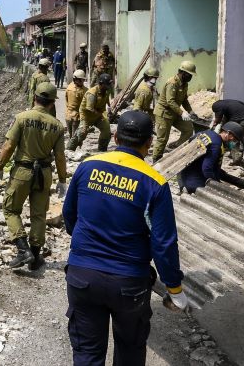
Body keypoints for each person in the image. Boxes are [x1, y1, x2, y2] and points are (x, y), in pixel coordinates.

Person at [62, 110, 187, 365]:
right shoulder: (155, 183)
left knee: (87, 352)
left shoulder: (87, 166)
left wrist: (88, 247)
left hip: (82, 276)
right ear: (149, 143)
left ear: (116, 136)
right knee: (130, 351)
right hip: (129, 283)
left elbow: (69, 216)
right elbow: (163, 244)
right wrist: (174, 288)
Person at [0, 82, 67, 270]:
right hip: (44, 173)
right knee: (39, 215)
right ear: (51, 103)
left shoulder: (22, 118)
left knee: (10, 209)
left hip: (22, 172)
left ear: (35, 97)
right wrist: (62, 180)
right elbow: (59, 156)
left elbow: (9, 146)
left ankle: (22, 249)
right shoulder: (57, 126)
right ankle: (35, 257)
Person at [178, 122, 244, 194]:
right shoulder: (217, 145)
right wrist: (215, 184)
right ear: (228, 133)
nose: (233, 142)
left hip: (183, 174)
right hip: (193, 181)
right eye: (234, 139)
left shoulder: (207, 133)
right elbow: (207, 168)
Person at [152, 61, 196, 162]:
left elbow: (184, 99)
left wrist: (190, 111)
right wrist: (182, 112)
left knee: (188, 129)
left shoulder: (184, 84)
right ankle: (156, 160)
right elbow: (170, 101)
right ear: (183, 73)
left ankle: (175, 147)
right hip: (164, 113)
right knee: (162, 139)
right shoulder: (172, 83)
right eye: (190, 75)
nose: (191, 78)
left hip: (175, 113)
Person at [67, 73, 112, 153]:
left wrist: (109, 110)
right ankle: (70, 149)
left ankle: (102, 149)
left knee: (106, 129)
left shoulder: (106, 91)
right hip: (87, 116)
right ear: (101, 84)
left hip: (98, 115)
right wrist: (99, 114)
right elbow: (89, 108)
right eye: (106, 85)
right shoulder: (92, 93)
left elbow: (107, 101)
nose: (108, 87)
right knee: (82, 132)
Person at [65, 69, 87, 138]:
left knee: (71, 136)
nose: (83, 82)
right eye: (82, 80)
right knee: (75, 137)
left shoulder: (69, 87)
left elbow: (66, 100)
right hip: (76, 117)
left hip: (68, 115)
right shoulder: (83, 91)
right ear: (78, 80)